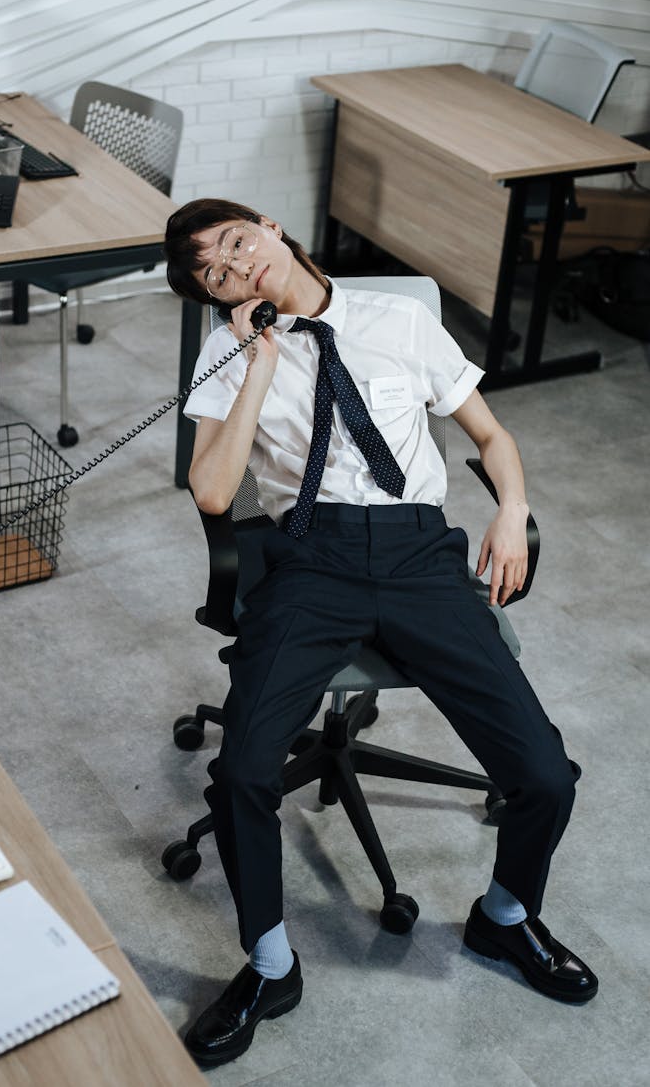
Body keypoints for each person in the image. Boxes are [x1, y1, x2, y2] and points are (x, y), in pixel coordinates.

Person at [164, 198, 597, 1069]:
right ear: (214, 298)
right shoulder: (228, 349)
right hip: (309, 559)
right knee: (246, 767)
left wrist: (512, 510)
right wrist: (256, 359)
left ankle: (506, 917)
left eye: (238, 244)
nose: (234, 267)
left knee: (544, 772)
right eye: (213, 272)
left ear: (274, 229)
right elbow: (213, 492)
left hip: (417, 555)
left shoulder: (397, 321)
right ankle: (270, 965)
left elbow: (490, 433)